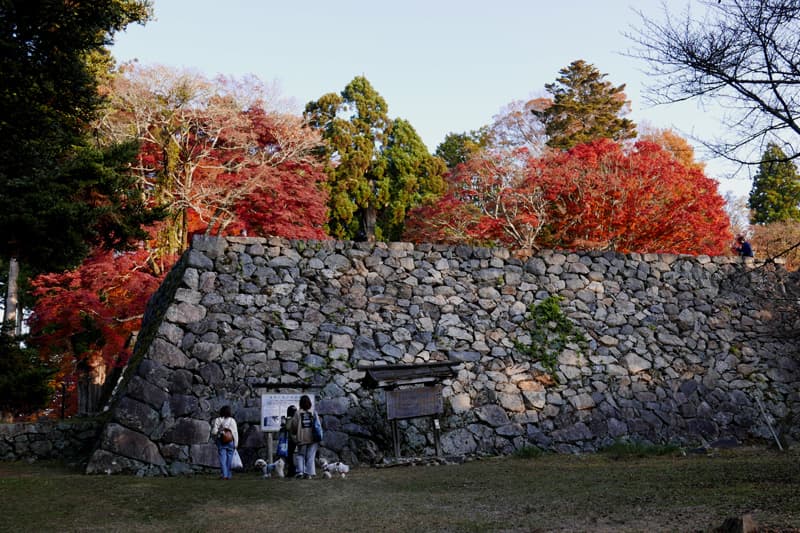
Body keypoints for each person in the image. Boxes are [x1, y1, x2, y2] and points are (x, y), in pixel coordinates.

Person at [288, 395, 319, 479]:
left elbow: (293, 426)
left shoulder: (297, 413)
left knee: (301, 455)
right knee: (311, 456)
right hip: (313, 438)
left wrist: (294, 434)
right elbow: (318, 425)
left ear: (300, 403)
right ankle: (309, 473)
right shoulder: (313, 412)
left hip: (301, 438)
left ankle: (300, 472)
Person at [210, 405, 238, 480]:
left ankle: (224, 475)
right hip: (230, 441)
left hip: (221, 441)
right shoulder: (232, 420)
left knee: (222, 458)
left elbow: (214, 432)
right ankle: (229, 475)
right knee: (229, 459)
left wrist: (219, 430)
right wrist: (236, 443)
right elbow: (235, 433)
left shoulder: (218, 420)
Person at [284, 405, 297, 478]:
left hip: (291, 439)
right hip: (297, 438)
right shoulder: (297, 418)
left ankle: (291, 471)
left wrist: (287, 420)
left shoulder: (290, 418)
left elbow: (288, 427)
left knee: (290, 456)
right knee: (292, 456)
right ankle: (293, 470)